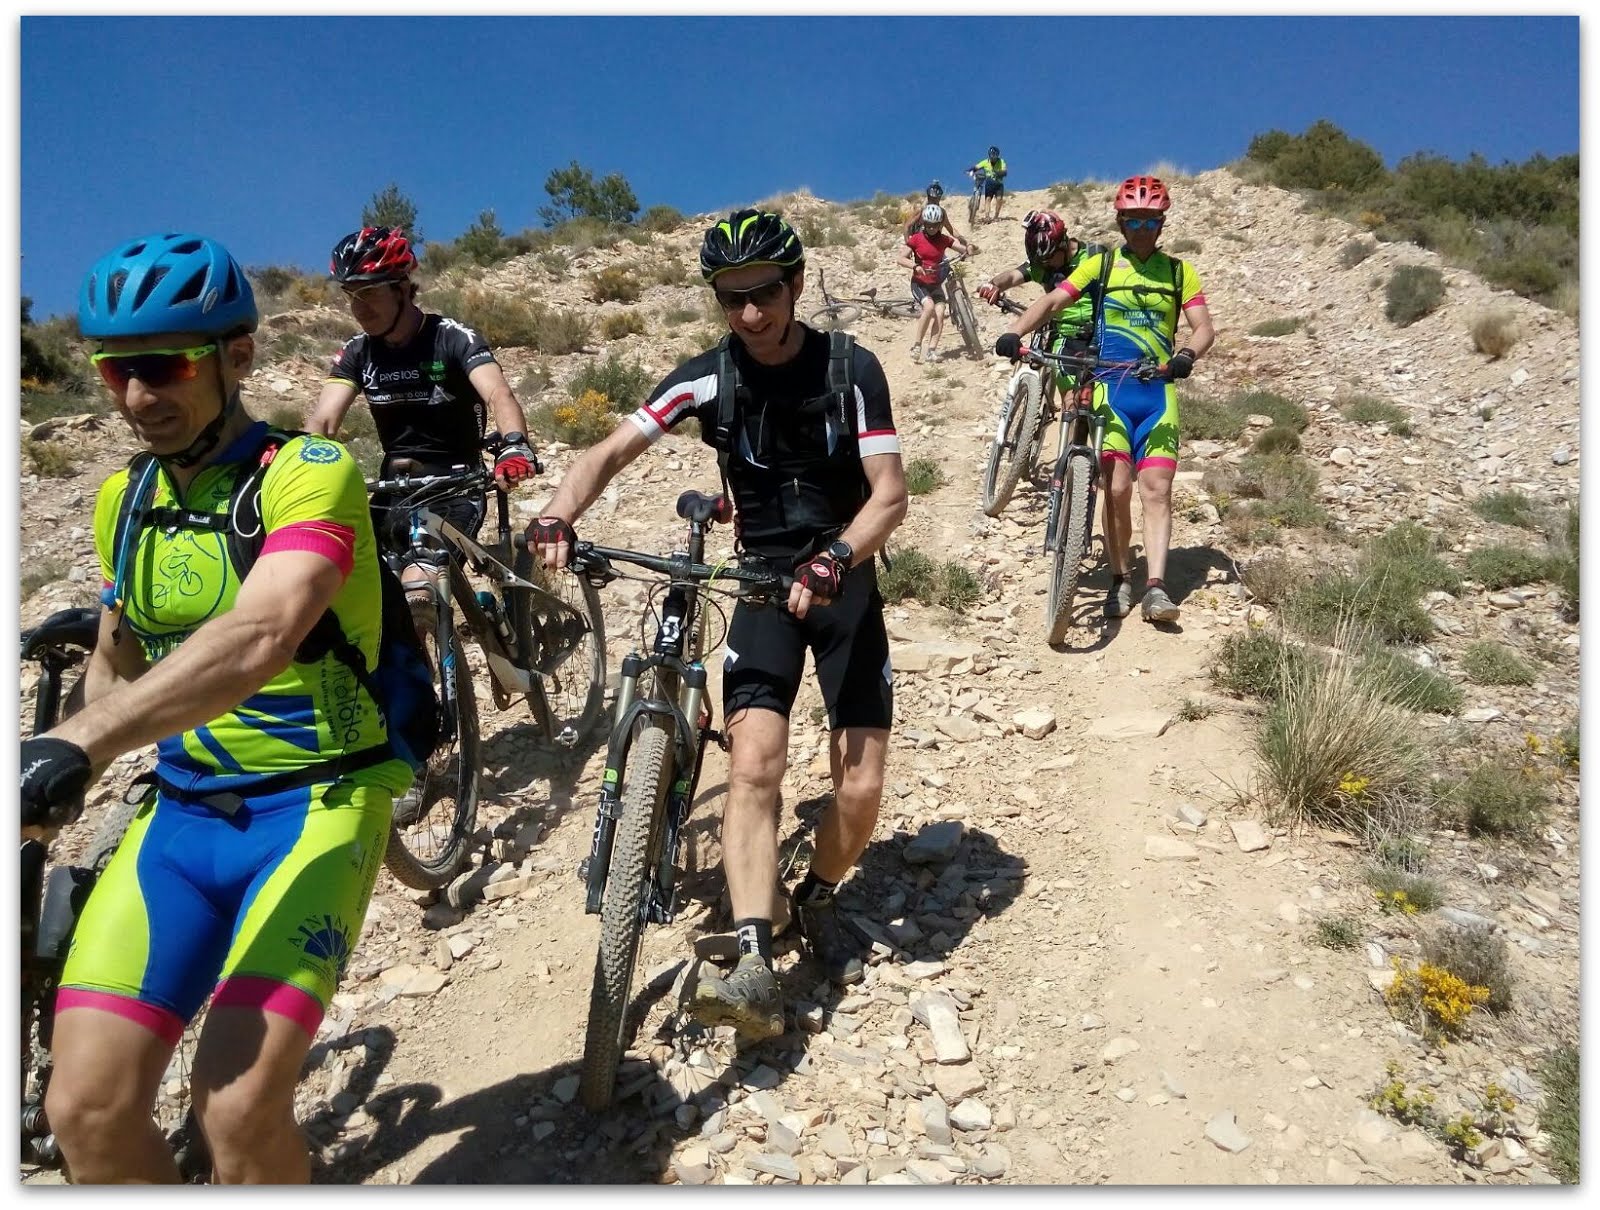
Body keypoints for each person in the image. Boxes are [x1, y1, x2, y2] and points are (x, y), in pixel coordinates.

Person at [20, 233, 410, 1183]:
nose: (135, 397)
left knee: (236, 1111)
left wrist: (82, 738)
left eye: (163, 367)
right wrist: (56, 789)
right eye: (114, 372)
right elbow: (117, 659)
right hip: (184, 813)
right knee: (86, 1109)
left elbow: (263, 631)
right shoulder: (126, 498)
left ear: (237, 357)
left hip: (317, 805)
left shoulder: (307, 472)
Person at [526, 209, 908, 1039]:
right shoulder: (707, 376)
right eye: (730, 299)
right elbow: (607, 452)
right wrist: (556, 514)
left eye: (764, 294)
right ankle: (751, 956)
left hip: (842, 582)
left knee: (861, 787)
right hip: (763, 586)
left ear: (796, 284)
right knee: (754, 767)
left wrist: (837, 558)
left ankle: (814, 895)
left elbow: (889, 494)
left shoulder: (852, 367)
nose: (749, 315)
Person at [995, 175, 1215, 623]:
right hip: (1111, 390)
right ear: (1119, 223)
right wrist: (1015, 332)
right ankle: (1120, 578)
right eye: (1133, 222)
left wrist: (1188, 354)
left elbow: (1204, 326)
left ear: (1162, 224)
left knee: (1157, 491)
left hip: (1156, 393)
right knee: (1115, 489)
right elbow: (1056, 299)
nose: (1141, 231)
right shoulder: (1104, 265)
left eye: (1150, 223)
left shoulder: (1178, 271)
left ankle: (1156, 587)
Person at [306, 226, 539, 613]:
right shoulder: (358, 352)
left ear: (401, 287)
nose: (359, 307)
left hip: (455, 486)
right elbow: (324, 423)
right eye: (351, 296)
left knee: (418, 590)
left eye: (369, 293)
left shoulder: (451, 338)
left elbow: (499, 394)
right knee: (343, 594)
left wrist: (514, 445)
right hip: (391, 491)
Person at [977, 209, 1102, 391]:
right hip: (1064, 333)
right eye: (1040, 262)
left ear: (1063, 244)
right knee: (1071, 397)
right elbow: (1012, 276)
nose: (1045, 266)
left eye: (1049, 260)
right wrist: (994, 285)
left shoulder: (1095, 257)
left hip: (1097, 332)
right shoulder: (1042, 262)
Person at [898, 203, 974, 363]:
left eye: (935, 225)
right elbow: (901, 258)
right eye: (928, 225)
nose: (932, 228)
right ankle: (917, 345)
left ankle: (931, 350)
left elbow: (960, 248)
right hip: (919, 283)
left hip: (935, 283)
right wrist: (915, 266)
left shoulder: (944, 239)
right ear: (924, 223)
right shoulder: (916, 239)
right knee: (929, 307)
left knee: (940, 314)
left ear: (940, 225)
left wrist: (968, 249)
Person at [968, 146, 1008, 223]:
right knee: (988, 199)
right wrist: (970, 170)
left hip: (999, 183)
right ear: (989, 155)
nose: (993, 157)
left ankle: (996, 216)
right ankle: (987, 216)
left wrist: (999, 173)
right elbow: (976, 167)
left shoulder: (1001, 161)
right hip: (989, 183)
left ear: (997, 155)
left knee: (999, 199)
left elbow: (1005, 171)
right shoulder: (985, 162)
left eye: (994, 155)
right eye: (991, 155)